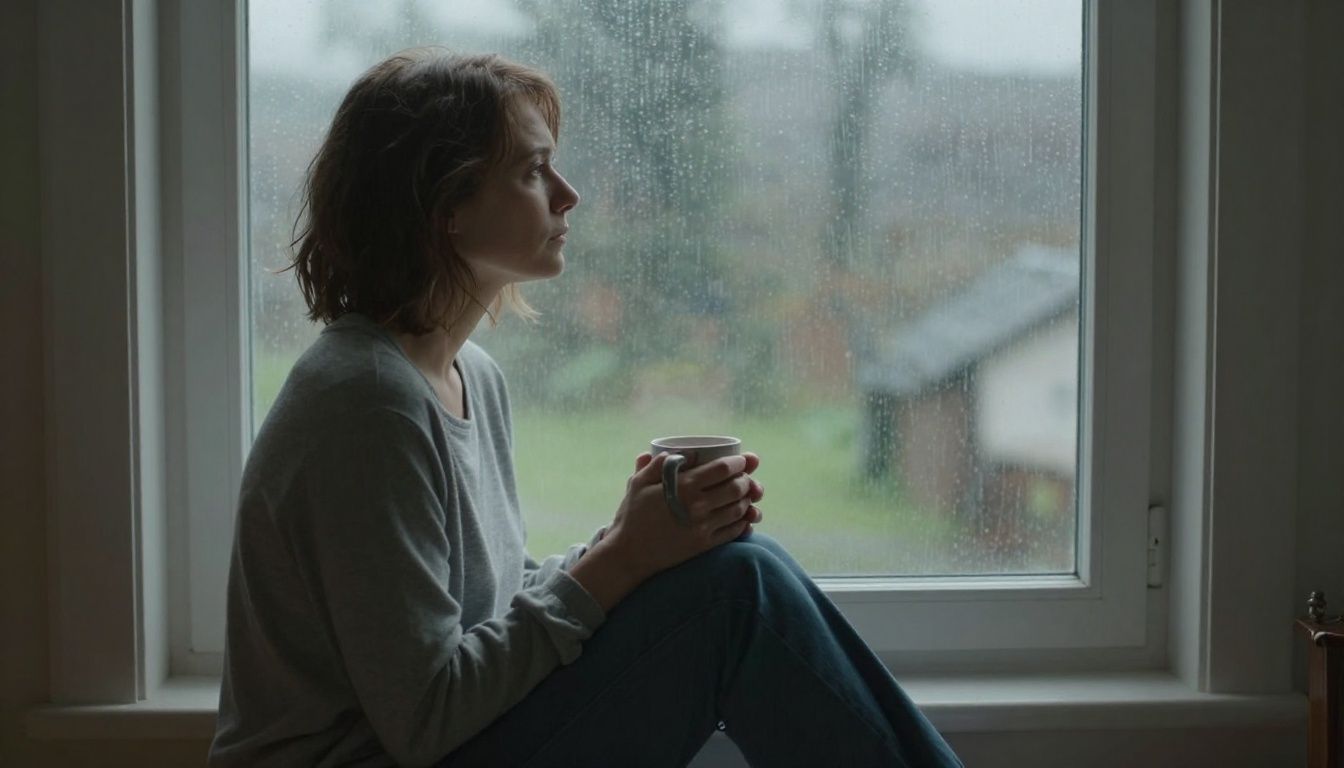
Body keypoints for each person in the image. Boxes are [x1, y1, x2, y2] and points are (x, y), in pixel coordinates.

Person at [208, 47, 962, 768]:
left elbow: (491, 614)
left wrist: (643, 541)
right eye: (535, 171)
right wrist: (622, 559)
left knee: (738, 565)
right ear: (446, 207)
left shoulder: (469, 374)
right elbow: (425, 716)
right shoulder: (366, 404)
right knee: (739, 590)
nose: (569, 195)